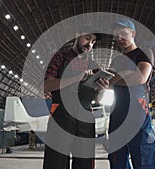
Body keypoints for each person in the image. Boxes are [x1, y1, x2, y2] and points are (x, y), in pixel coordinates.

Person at [43, 25, 109, 169]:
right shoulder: (60, 57)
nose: (89, 44)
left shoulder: (94, 66)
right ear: (77, 35)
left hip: (85, 114)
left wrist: (102, 89)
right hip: (61, 114)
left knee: (85, 162)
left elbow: (97, 100)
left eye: (93, 42)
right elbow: (47, 85)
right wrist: (74, 78)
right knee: (56, 161)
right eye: (87, 38)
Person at [107, 18, 155, 169]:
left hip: (137, 111)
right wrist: (127, 74)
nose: (119, 38)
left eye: (123, 34)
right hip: (117, 111)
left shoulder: (144, 53)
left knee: (143, 156)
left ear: (133, 33)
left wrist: (116, 79)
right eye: (116, 35)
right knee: (117, 159)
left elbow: (140, 77)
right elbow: (110, 82)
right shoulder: (116, 60)